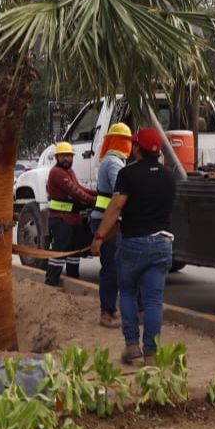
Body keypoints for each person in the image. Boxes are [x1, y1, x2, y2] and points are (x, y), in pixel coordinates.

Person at [91, 128, 178, 366]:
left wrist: (100, 236)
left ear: (137, 148)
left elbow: (117, 207)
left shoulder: (128, 174)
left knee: (127, 292)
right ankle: (151, 353)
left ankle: (132, 347)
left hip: (133, 244)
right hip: (162, 244)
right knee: (153, 301)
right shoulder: (169, 177)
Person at [90, 123, 133, 327]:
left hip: (105, 220)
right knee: (111, 268)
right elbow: (121, 194)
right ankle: (107, 312)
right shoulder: (115, 163)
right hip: (109, 223)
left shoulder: (110, 160)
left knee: (113, 267)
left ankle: (110, 310)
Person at [44, 141, 96, 286]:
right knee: (59, 252)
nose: (67, 158)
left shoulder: (69, 172)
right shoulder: (57, 173)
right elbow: (76, 191)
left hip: (73, 219)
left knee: (74, 252)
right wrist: (94, 201)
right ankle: (51, 282)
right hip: (61, 219)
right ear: (57, 157)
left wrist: (100, 193)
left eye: (69, 155)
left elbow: (80, 187)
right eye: (63, 156)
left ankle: (73, 281)